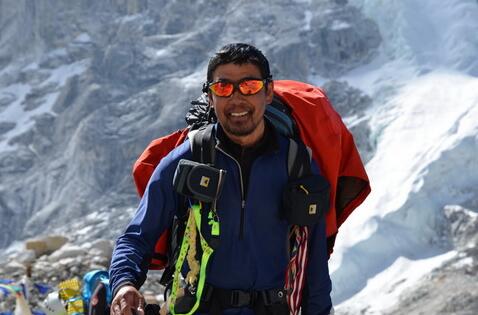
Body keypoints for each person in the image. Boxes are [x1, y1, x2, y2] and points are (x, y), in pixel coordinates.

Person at [109, 43, 333, 315]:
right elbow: (136, 237)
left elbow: (314, 261)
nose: (237, 99)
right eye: (223, 88)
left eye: (249, 86)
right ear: (210, 98)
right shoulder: (188, 158)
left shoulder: (297, 164)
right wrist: (124, 284)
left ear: (268, 92)